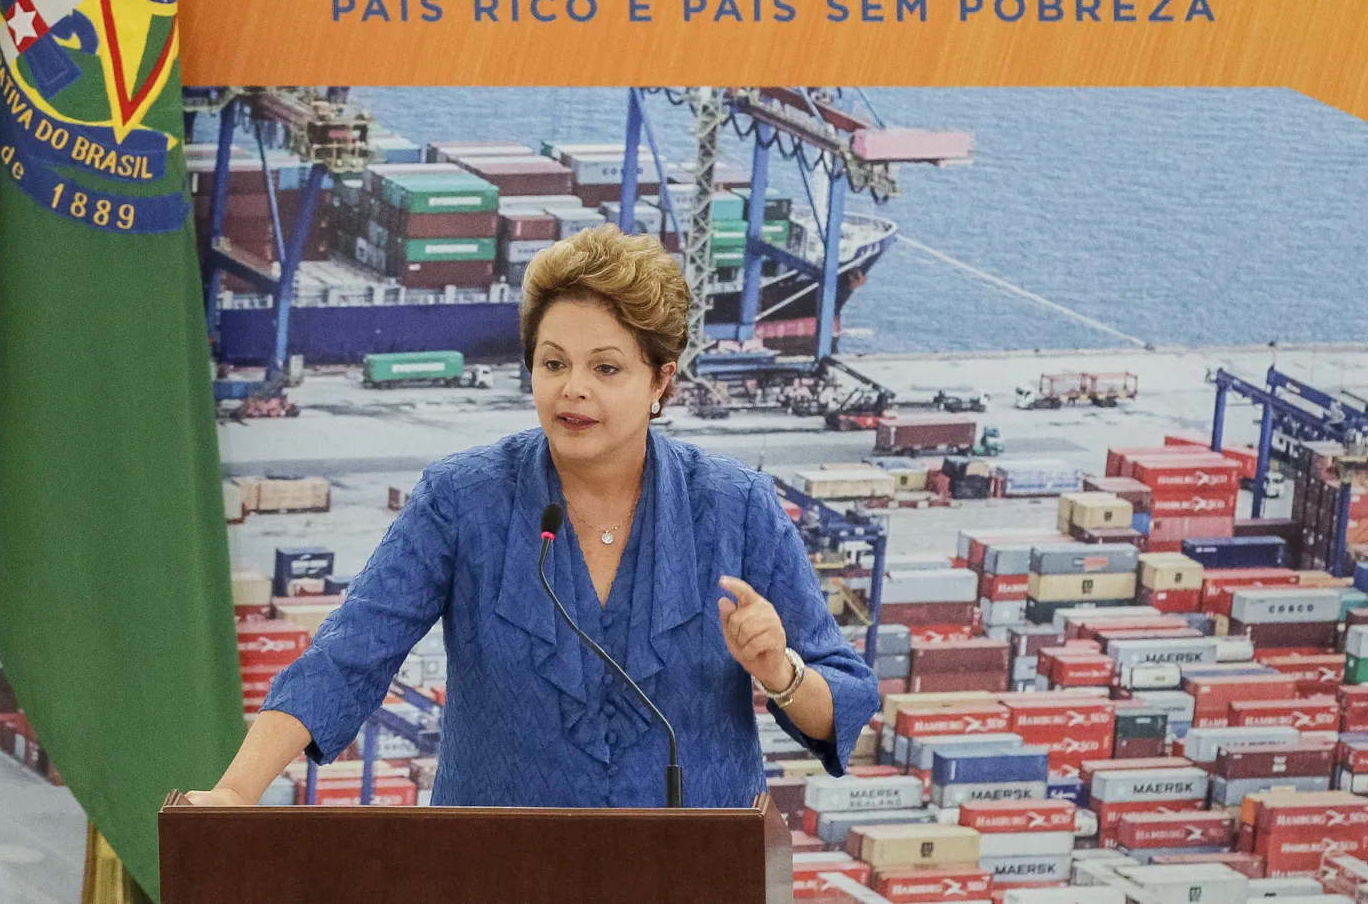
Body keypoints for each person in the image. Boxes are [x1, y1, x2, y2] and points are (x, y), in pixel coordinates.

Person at [185, 224, 877, 808]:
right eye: (553, 363)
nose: (572, 389)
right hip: (493, 876)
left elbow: (840, 699)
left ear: (661, 378)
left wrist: (777, 669)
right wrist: (235, 793)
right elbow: (347, 658)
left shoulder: (736, 508)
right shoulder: (461, 499)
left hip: (692, 878)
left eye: (606, 369)